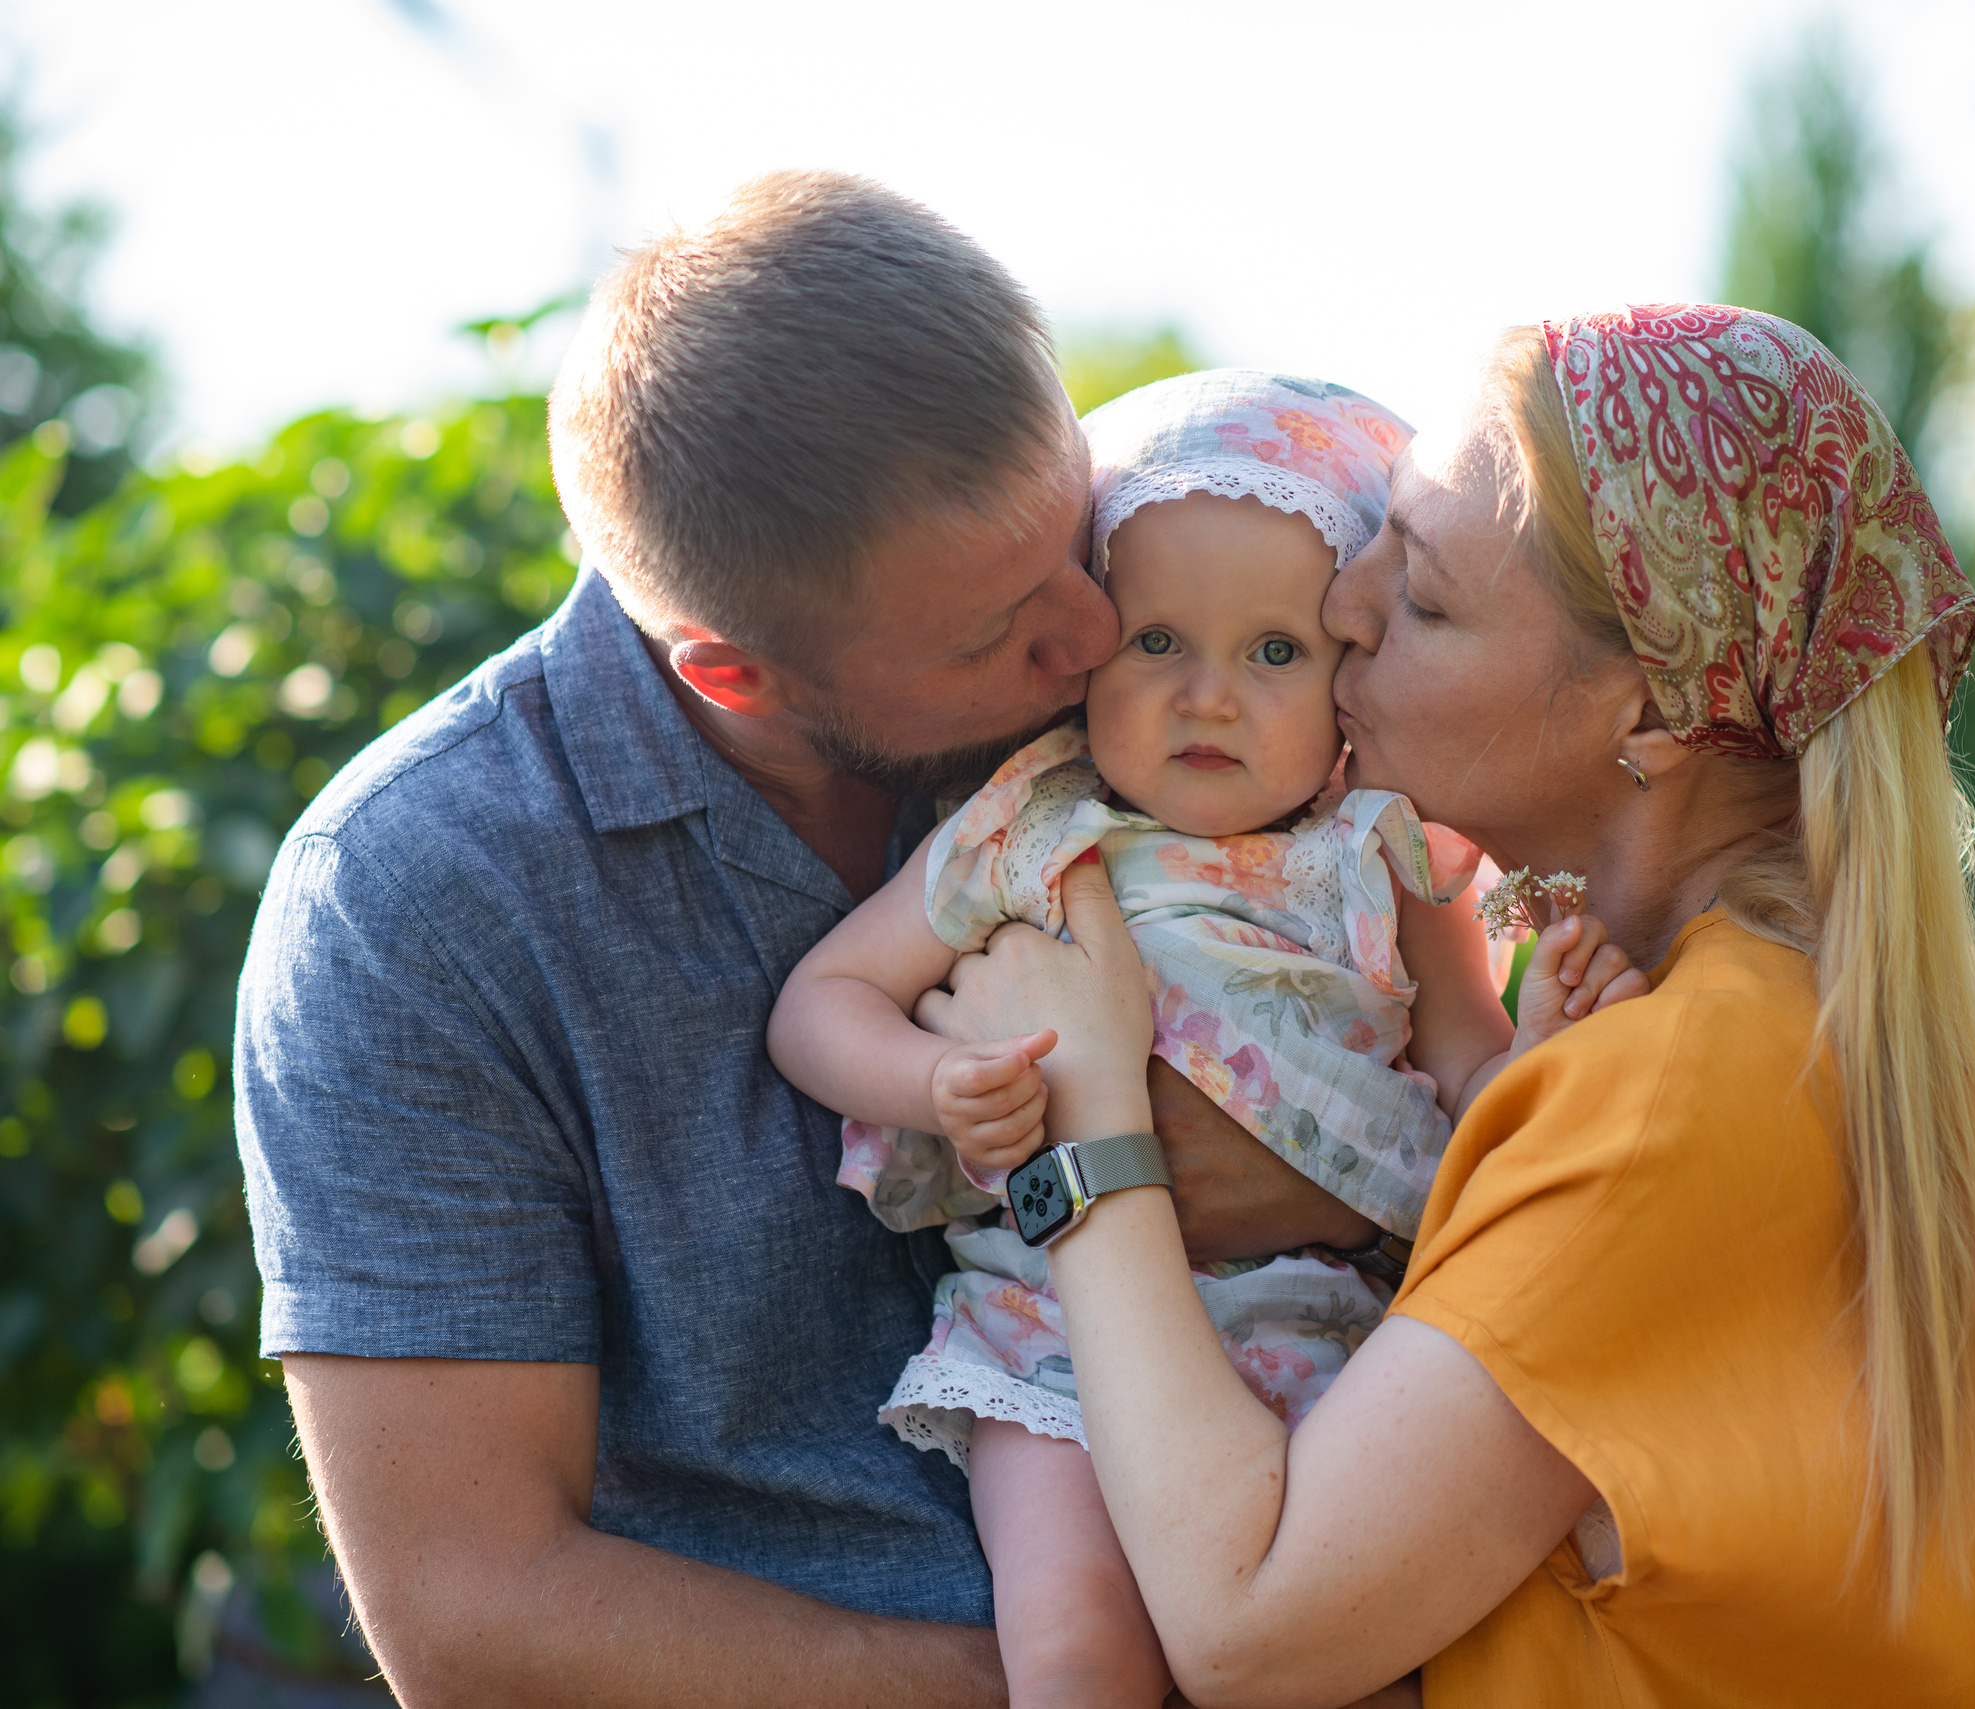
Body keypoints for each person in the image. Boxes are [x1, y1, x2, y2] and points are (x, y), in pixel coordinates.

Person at [232, 173, 1386, 1706]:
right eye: (999, 633)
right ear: (734, 672)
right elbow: (472, 1604)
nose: (1095, 637)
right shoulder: (416, 903)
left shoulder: (1158, 686)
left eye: (1078, 541)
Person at [920, 306, 1975, 1706]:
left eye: (1424, 598)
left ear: (1650, 716)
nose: (1343, 606)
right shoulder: (1779, 1026)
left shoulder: (1676, 1088)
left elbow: (1250, 1625)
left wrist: (1093, 1122)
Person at [769, 371, 1644, 1707]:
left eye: (1273, 651)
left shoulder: (1386, 850)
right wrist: (935, 1083)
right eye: (1157, 642)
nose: (1208, 697)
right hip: (1047, 1328)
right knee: (1075, 1651)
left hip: (1328, 1331)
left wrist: (1529, 1053)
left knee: (1368, 1665)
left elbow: (1463, 1065)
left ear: (1350, 677)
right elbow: (820, 1004)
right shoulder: (1030, 823)